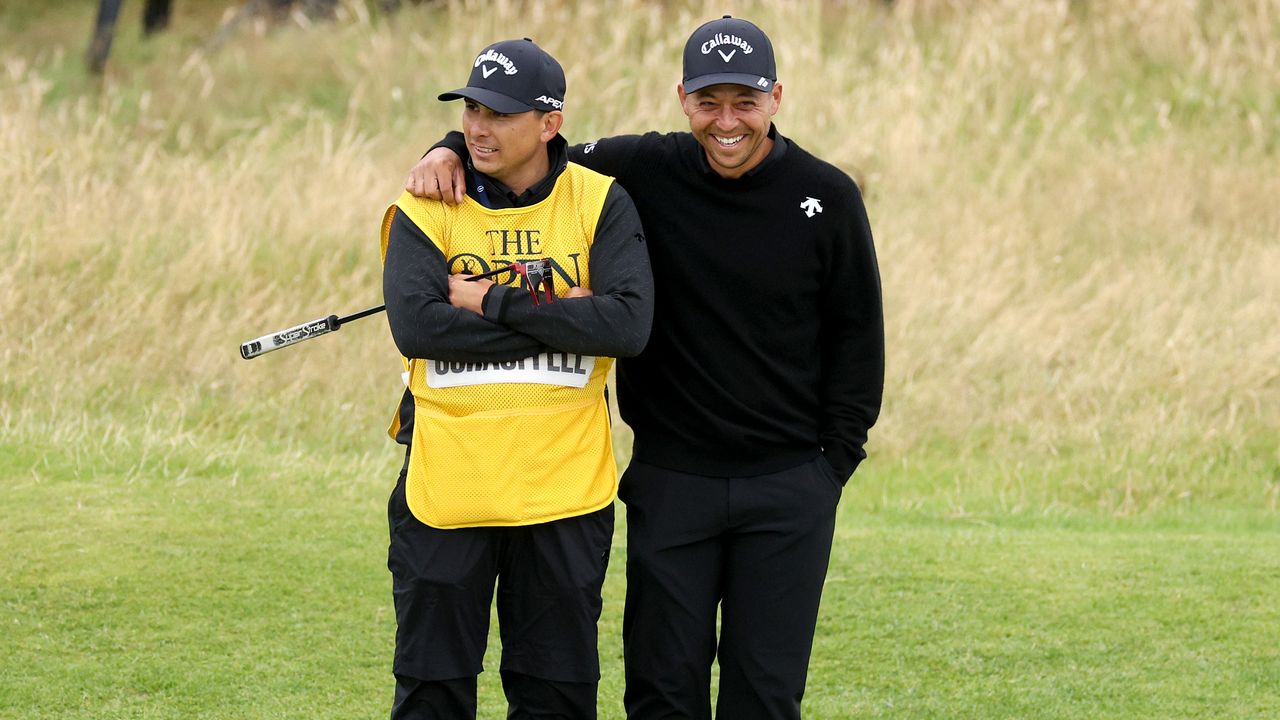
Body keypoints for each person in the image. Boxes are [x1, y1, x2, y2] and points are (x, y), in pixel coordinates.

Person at [406, 17, 883, 720]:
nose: (727, 122)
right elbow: (532, 144)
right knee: (662, 692)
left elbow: (858, 341)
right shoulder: (641, 168)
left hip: (788, 489)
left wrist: (829, 468)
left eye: (744, 102)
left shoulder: (828, 198)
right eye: (708, 102)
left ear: (776, 98)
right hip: (672, 482)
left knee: (765, 695)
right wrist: (450, 145)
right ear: (682, 98)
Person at [380, 37, 653, 720]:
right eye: (470, 109)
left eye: (499, 114)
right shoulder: (426, 201)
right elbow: (419, 328)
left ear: (549, 123)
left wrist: (489, 299)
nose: (478, 127)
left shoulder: (601, 202)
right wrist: (565, 311)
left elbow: (625, 328)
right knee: (432, 688)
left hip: (563, 492)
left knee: (554, 693)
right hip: (447, 487)